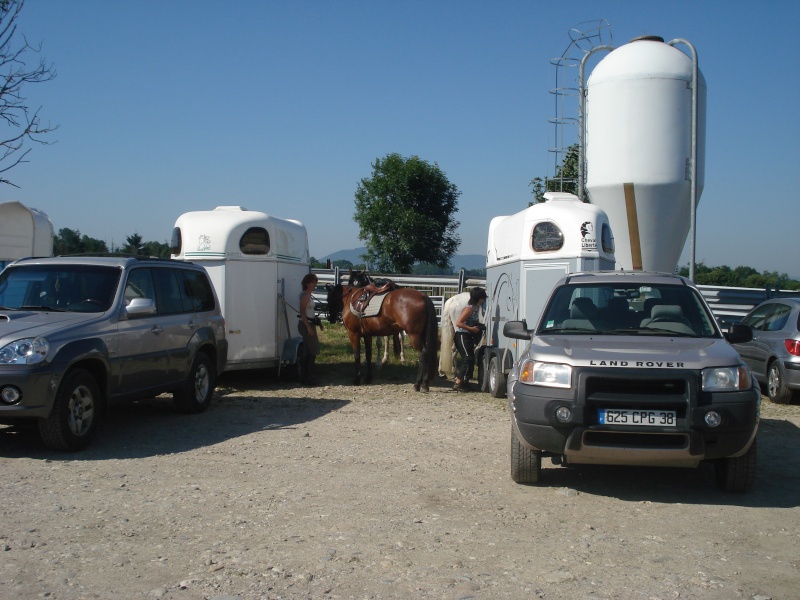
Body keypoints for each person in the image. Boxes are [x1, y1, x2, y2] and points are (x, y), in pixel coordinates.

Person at [453, 287, 487, 392]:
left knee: (471, 359)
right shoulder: (469, 309)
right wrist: (471, 328)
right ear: (478, 298)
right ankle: (458, 381)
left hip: (467, 335)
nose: (483, 300)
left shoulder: (475, 308)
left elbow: (472, 321)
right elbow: (459, 323)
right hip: (462, 335)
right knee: (467, 358)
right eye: (482, 298)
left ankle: (465, 382)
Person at [298, 273, 321, 385]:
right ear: (307, 283)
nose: (314, 284)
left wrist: (317, 321)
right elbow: (302, 312)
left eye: (315, 282)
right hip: (305, 324)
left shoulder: (308, 295)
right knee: (313, 349)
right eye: (313, 282)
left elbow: (309, 312)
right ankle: (309, 376)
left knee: (308, 350)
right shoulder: (305, 296)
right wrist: (308, 327)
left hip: (310, 322)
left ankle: (305, 376)